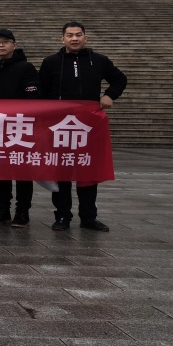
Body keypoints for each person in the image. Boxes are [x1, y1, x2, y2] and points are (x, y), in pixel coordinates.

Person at [39, 21, 127, 232]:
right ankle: (62, 216)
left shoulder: (99, 60)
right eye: (70, 35)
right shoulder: (51, 62)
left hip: (88, 127)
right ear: (62, 39)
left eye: (78, 35)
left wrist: (109, 95)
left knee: (88, 171)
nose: (74, 38)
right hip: (60, 126)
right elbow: (42, 91)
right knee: (61, 172)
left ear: (85, 38)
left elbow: (120, 79)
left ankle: (89, 217)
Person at [0, 28, 41, 228]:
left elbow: (33, 96)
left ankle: (22, 211)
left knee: (23, 171)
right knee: (1, 170)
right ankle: (3, 209)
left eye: (5, 41)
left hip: (20, 128)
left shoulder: (26, 68)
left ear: (14, 45)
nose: (1, 45)